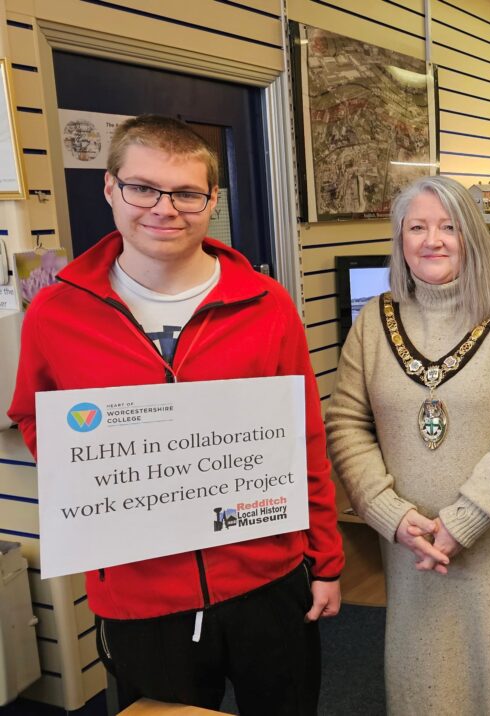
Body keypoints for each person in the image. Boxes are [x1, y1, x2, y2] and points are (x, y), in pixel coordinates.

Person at [7, 115, 343, 713]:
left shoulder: (267, 304)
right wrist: (103, 470)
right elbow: (35, 417)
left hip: (266, 576)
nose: (165, 208)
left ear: (212, 200)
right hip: (142, 591)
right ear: (110, 188)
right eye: (142, 187)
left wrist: (326, 561)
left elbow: (304, 440)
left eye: (187, 192)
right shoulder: (57, 313)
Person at [325, 176, 490, 715]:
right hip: (411, 544)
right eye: (418, 227)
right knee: (418, 674)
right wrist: (387, 512)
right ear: (400, 240)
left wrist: (466, 518)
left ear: (470, 236)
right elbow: (346, 423)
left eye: (448, 227)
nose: (433, 240)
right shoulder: (372, 322)